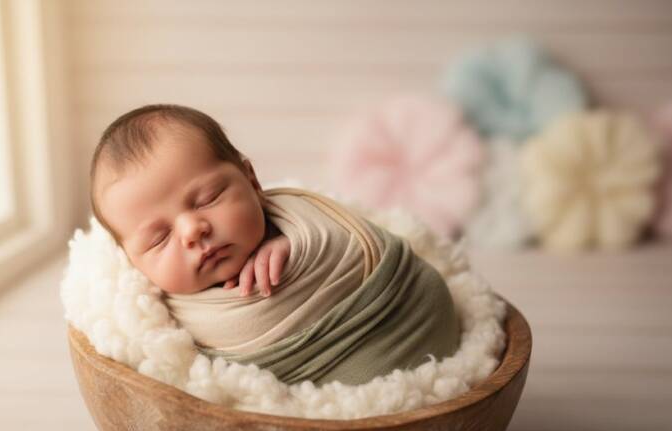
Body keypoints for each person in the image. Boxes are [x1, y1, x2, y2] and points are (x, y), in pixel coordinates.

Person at [90, 104, 460, 386]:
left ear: (251, 180)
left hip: (406, 320)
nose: (192, 230)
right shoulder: (160, 325)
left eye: (207, 198)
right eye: (159, 238)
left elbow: (355, 245)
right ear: (131, 261)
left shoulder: (304, 223)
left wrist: (291, 247)